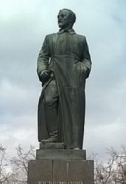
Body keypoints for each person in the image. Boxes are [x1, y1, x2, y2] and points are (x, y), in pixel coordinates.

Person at [37, 9, 91, 149]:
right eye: (58, 16)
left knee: (74, 111)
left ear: (71, 19)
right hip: (54, 74)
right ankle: (54, 136)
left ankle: (74, 144)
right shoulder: (50, 38)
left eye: (62, 16)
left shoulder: (81, 39)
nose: (59, 18)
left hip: (73, 78)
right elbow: (43, 56)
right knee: (48, 100)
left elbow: (86, 59)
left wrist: (83, 69)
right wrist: (42, 69)